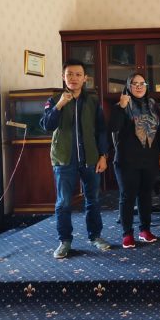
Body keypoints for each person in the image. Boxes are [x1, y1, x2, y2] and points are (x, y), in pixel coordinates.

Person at [40, 59, 110, 259]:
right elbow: (46, 125)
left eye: (78, 74)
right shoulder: (54, 100)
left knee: (93, 199)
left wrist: (103, 155)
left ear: (85, 78)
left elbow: (101, 130)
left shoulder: (93, 101)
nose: (74, 78)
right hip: (64, 159)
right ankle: (64, 241)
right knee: (63, 203)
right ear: (63, 77)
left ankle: (95, 236)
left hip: (90, 158)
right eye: (69, 74)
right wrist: (59, 105)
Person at [110, 73, 160, 249]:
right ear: (128, 86)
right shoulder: (121, 106)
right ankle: (127, 234)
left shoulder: (152, 105)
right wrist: (121, 107)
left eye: (142, 83)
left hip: (149, 158)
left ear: (146, 86)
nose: (138, 86)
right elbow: (113, 127)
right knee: (127, 196)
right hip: (127, 159)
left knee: (145, 195)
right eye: (134, 83)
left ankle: (145, 230)